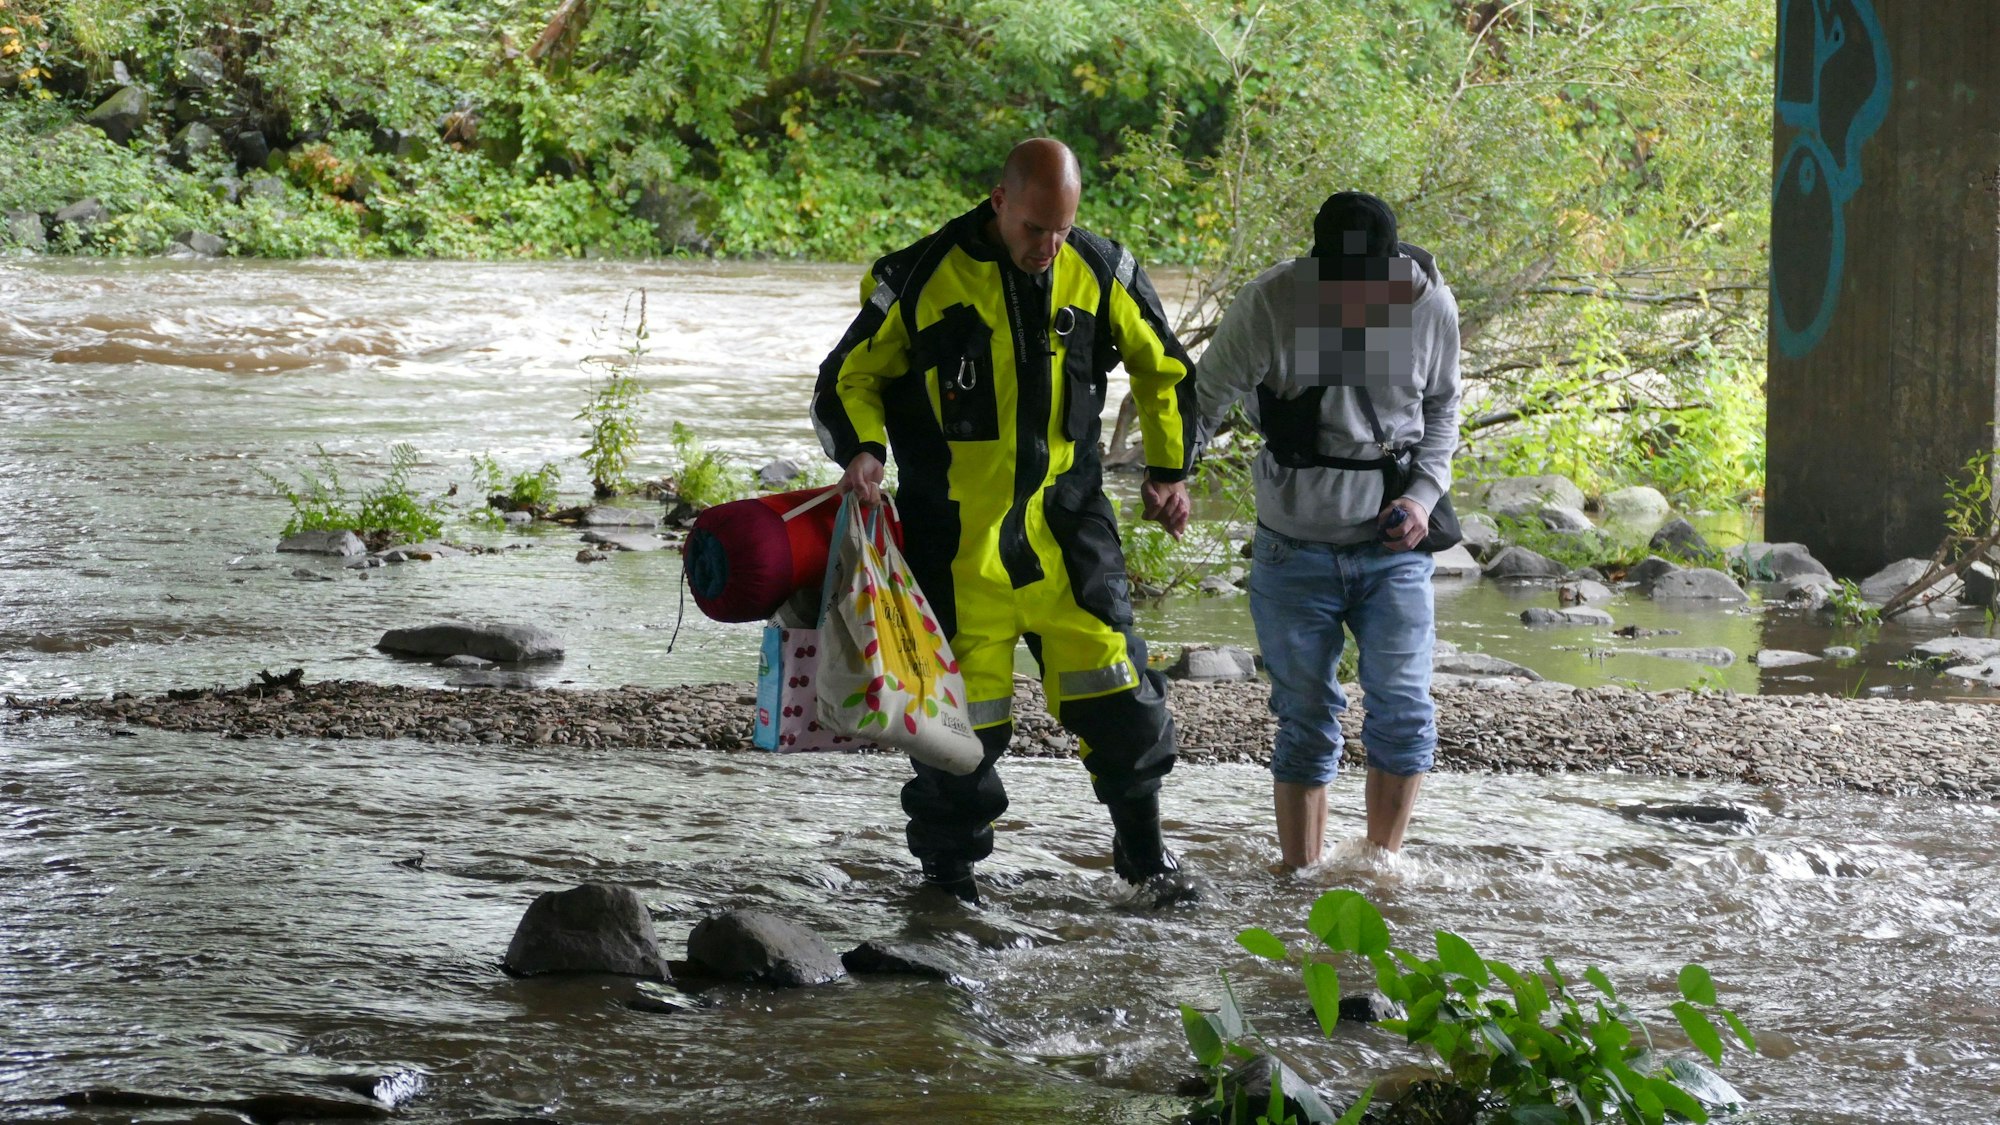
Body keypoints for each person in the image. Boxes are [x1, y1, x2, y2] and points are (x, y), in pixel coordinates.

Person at [811, 138, 1201, 907]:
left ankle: (1145, 858)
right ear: (999, 201)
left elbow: (1167, 367)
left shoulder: (1100, 269)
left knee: (1123, 699)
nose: (1047, 246)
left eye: (1060, 229)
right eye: (1033, 229)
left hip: (1068, 535)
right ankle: (950, 887)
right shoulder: (919, 276)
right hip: (954, 543)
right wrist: (862, 449)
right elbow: (847, 375)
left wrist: (1168, 468)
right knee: (957, 738)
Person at [1193, 191, 1461, 867]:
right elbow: (1204, 397)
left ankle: (1378, 869)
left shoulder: (1428, 305)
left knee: (1403, 711)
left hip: (1391, 551)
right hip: (1292, 551)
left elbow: (1443, 409)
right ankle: (1298, 877)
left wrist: (1424, 499)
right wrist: (1171, 477)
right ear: (1316, 266)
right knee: (1306, 720)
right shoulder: (1273, 303)